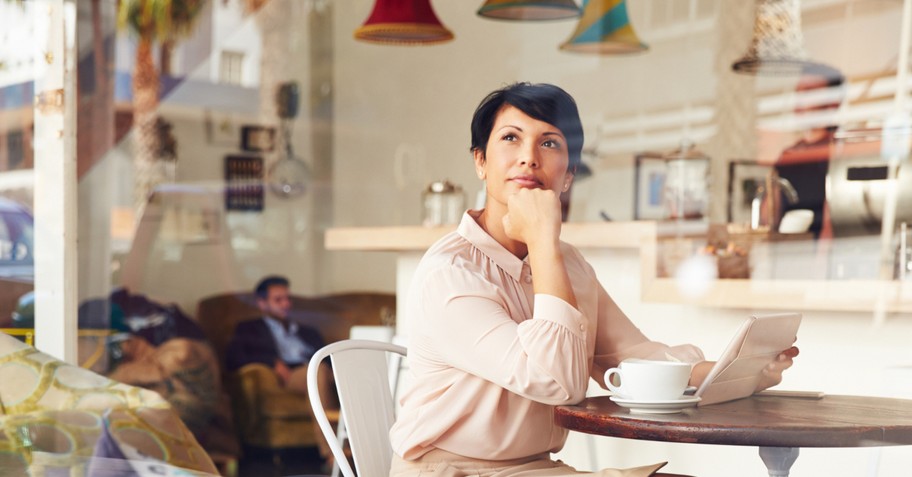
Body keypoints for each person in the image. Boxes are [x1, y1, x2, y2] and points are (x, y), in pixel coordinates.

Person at [388, 82, 799, 477]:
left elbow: (630, 354)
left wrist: (732, 372)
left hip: (536, 467)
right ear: (480, 161)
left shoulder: (569, 263)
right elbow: (555, 382)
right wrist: (543, 240)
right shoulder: (452, 273)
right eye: (511, 138)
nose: (529, 157)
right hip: (448, 470)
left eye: (549, 143)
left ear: (567, 175)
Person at [225, 275, 336, 461]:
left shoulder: (307, 331)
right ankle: (333, 454)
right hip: (292, 374)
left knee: (346, 374)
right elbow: (234, 358)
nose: (286, 304)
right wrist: (272, 362)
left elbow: (326, 355)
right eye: (278, 300)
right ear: (262, 303)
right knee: (319, 373)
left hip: (320, 369)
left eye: (287, 298)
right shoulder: (249, 329)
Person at [772, 70, 846, 239]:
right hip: (789, 253)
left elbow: (832, 221)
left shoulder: (839, 150)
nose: (800, 99)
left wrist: (818, 263)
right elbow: (769, 212)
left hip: (818, 258)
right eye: (798, 91)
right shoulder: (789, 155)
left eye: (809, 91)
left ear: (832, 103)